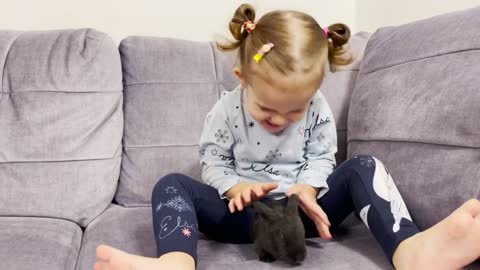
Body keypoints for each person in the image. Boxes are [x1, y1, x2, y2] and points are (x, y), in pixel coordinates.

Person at [94, 4, 480, 270]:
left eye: (295, 110)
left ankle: (411, 250)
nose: (281, 120)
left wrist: (309, 188)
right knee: (171, 184)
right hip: (241, 218)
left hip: (307, 214)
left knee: (363, 166)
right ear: (242, 79)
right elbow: (213, 160)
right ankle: (175, 261)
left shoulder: (316, 107)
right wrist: (234, 188)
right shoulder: (226, 110)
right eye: (266, 110)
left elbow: (323, 156)